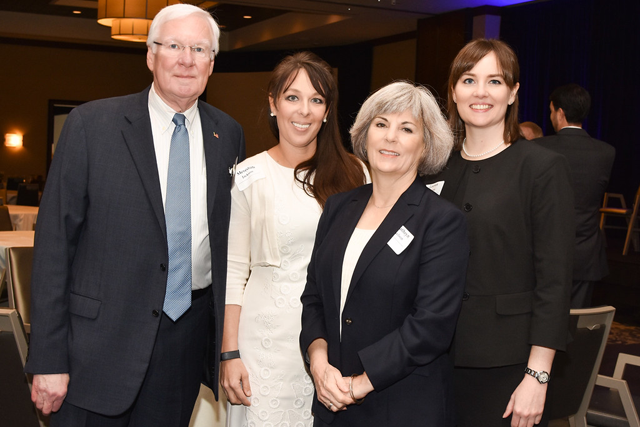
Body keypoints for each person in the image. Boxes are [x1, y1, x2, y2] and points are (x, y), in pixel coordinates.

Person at [24, 4, 246, 426]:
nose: (186, 59)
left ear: (212, 63)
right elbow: (54, 246)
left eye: (199, 48)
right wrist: (48, 358)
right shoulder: (92, 125)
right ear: (150, 55)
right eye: (174, 46)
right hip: (95, 348)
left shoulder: (228, 134)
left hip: (183, 342)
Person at [300, 81, 469, 427]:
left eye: (407, 129)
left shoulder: (441, 220)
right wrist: (319, 364)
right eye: (381, 124)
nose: (390, 137)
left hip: (401, 406)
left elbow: (431, 326)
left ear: (425, 146)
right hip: (332, 400)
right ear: (365, 135)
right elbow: (313, 298)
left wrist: (359, 384)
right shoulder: (338, 207)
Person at [424, 39, 575, 427]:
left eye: (494, 81)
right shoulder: (435, 169)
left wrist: (537, 375)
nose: (480, 92)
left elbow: (555, 281)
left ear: (513, 92)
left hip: (508, 364)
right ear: (453, 90)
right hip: (432, 355)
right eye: (469, 79)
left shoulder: (541, 167)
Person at [220, 52, 367, 427]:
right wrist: (229, 352)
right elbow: (234, 271)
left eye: (316, 100)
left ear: (328, 111)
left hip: (334, 339)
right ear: (273, 103)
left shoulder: (355, 173)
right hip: (264, 342)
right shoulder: (249, 174)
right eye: (292, 97)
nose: (304, 111)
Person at [537, 83, 615, 308]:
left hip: (544, 251)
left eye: (551, 111)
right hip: (585, 252)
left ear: (560, 112)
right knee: (578, 327)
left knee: (542, 321)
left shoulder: (538, 148)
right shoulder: (606, 152)